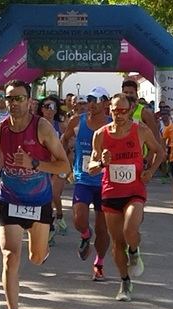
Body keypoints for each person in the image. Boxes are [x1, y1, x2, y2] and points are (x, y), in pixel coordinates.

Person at [0, 79, 70, 309]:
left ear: (30, 101)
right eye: (9, 98)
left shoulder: (42, 128)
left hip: (38, 201)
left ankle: (44, 245)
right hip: (9, 197)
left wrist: (34, 163)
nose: (13, 103)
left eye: (19, 98)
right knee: (10, 255)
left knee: (36, 257)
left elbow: (63, 165)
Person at [88, 93, 165, 301]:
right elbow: (91, 168)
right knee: (117, 242)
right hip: (111, 192)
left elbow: (160, 151)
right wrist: (102, 163)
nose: (119, 114)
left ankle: (135, 251)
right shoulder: (101, 134)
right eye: (115, 110)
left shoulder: (140, 130)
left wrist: (151, 171)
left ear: (130, 110)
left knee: (130, 229)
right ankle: (124, 282)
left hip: (134, 191)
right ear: (109, 110)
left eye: (123, 110)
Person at [62, 87, 111, 280]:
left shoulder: (112, 124)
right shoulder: (77, 121)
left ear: (105, 103)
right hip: (83, 179)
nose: (90, 103)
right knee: (79, 219)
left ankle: (99, 263)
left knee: (102, 229)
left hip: (105, 182)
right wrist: (63, 161)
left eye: (95, 99)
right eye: (88, 98)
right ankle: (84, 235)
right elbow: (64, 140)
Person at [40, 95, 68, 238]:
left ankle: (59, 216)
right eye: (45, 106)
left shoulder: (61, 126)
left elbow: (69, 145)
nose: (48, 110)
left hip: (58, 165)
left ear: (56, 110)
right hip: (43, 165)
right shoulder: (36, 125)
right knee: (46, 197)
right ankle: (50, 226)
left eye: (51, 107)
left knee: (54, 194)